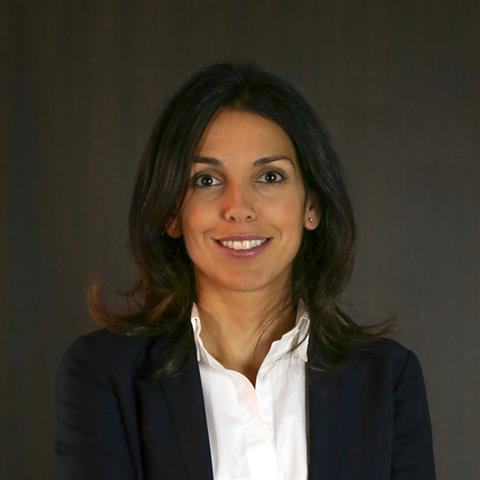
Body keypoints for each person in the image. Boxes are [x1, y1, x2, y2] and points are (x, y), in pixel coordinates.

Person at [54, 62, 436, 480]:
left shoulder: (387, 379)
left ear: (311, 205)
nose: (239, 207)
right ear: (171, 212)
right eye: (206, 180)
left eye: (270, 176)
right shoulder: (105, 374)